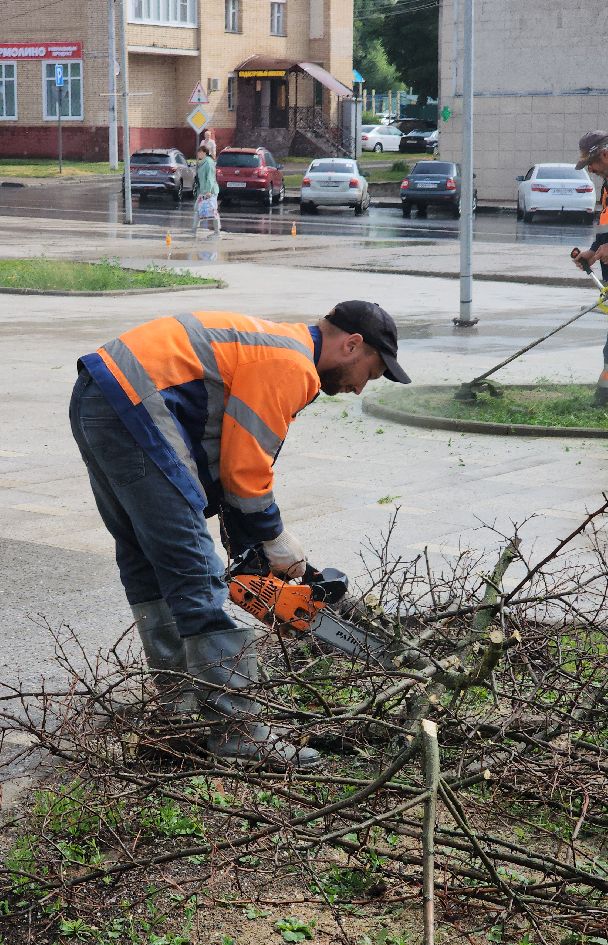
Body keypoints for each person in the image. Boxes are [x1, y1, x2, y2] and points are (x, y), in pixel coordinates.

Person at [69, 303, 411, 768]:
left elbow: (219, 455)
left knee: (147, 559)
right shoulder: (291, 364)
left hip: (102, 395)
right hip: (134, 404)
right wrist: (273, 538)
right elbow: (245, 470)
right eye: (368, 373)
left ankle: (183, 707)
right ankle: (239, 733)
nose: (357, 388)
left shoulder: (274, 345)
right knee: (196, 572)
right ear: (351, 345)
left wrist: (246, 541)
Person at [572, 131, 608, 404]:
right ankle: (603, 399)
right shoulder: (607, 186)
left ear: (604, 155)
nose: (591, 170)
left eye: (591, 164)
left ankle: (602, 400)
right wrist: (593, 252)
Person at [193, 145, 220, 238]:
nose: (198, 154)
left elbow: (210, 178)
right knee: (197, 208)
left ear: (204, 152)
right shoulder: (203, 162)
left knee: (213, 211)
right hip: (203, 190)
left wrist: (208, 191)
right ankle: (193, 229)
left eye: (199, 152)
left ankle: (217, 231)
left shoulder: (208, 163)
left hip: (210, 191)